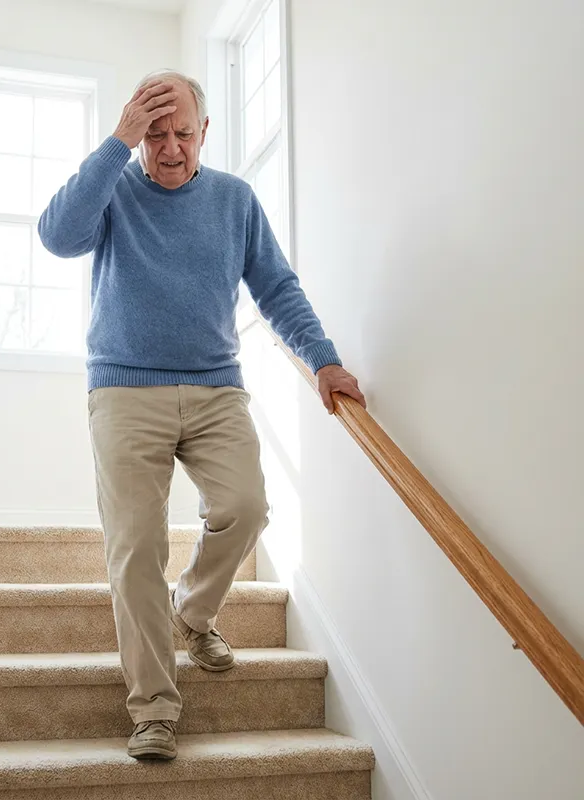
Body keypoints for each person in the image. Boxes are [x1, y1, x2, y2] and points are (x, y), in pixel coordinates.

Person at [37, 69, 366, 761]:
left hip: (216, 387)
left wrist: (324, 360)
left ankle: (193, 610)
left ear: (205, 131)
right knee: (135, 549)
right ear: (136, 133)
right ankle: (154, 708)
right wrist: (116, 143)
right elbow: (58, 237)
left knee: (246, 507)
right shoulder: (114, 191)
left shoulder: (235, 201)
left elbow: (276, 287)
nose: (171, 147)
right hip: (125, 390)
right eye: (154, 133)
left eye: (182, 132)